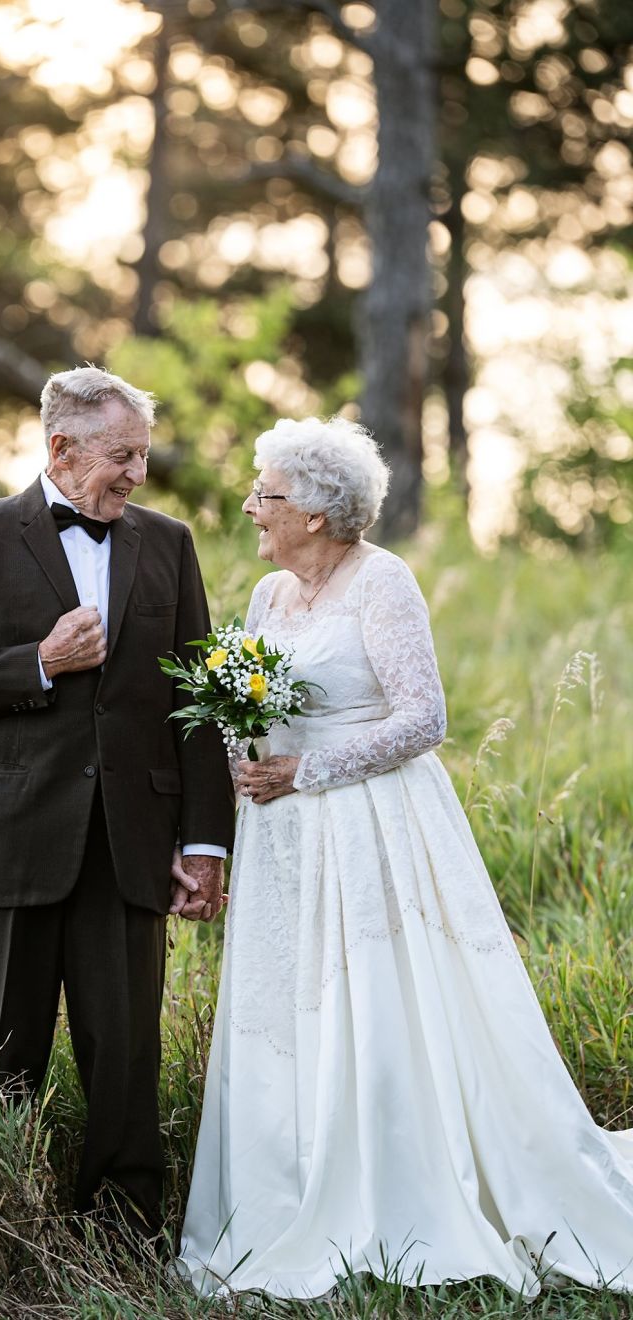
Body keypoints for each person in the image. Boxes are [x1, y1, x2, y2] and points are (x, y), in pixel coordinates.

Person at [177, 415, 633, 1299]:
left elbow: (425, 718)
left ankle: (394, 1189)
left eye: (266, 495)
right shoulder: (268, 595)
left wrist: (308, 771)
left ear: (315, 513)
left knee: (374, 999)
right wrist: (243, 760)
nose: (250, 508)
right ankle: (283, 1188)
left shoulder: (382, 581)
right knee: (287, 1000)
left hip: (368, 823)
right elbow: (249, 708)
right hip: (281, 836)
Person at [0, 366, 235, 1238]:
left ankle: (126, 1236)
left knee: (126, 1058)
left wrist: (205, 842)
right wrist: (40, 662)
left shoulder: (169, 544)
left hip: (131, 843)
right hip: (12, 840)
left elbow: (198, 702)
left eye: (143, 455)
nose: (138, 474)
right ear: (62, 447)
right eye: (123, 456)